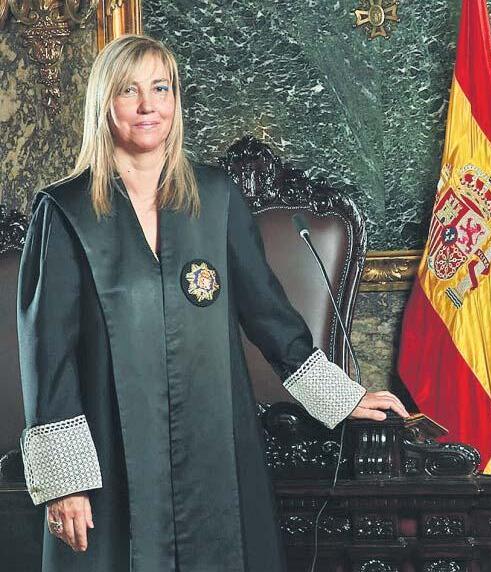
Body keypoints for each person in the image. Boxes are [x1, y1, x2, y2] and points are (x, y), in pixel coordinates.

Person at [17, 34, 409, 572]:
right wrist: (65, 483)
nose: (148, 105)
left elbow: (269, 315)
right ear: (104, 104)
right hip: (111, 454)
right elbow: (50, 356)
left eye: (161, 88)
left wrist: (343, 398)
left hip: (215, 444)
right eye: (129, 91)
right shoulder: (65, 213)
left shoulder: (216, 197)